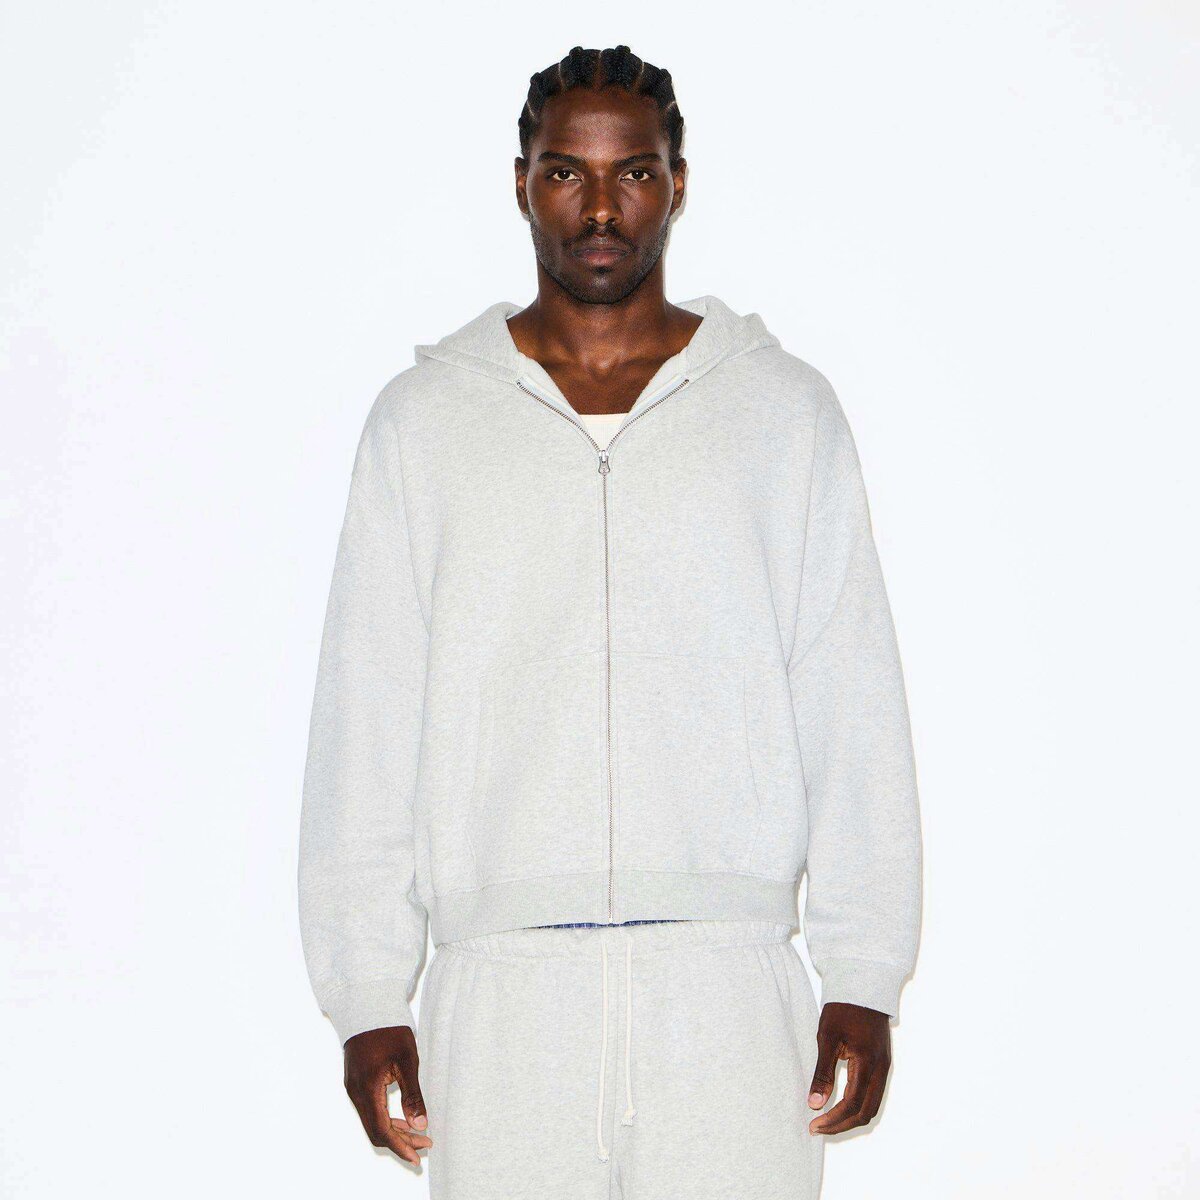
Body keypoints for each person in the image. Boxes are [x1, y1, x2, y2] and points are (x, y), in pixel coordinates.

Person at [298, 43, 922, 1200]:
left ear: (676, 183)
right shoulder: (426, 424)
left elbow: (849, 695)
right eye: (565, 173)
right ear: (522, 183)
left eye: (632, 173)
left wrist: (864, 971)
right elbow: (367, 713)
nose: (599, 209)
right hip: (502, 998)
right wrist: (367, 993)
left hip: (728, 992)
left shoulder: (781, 414)